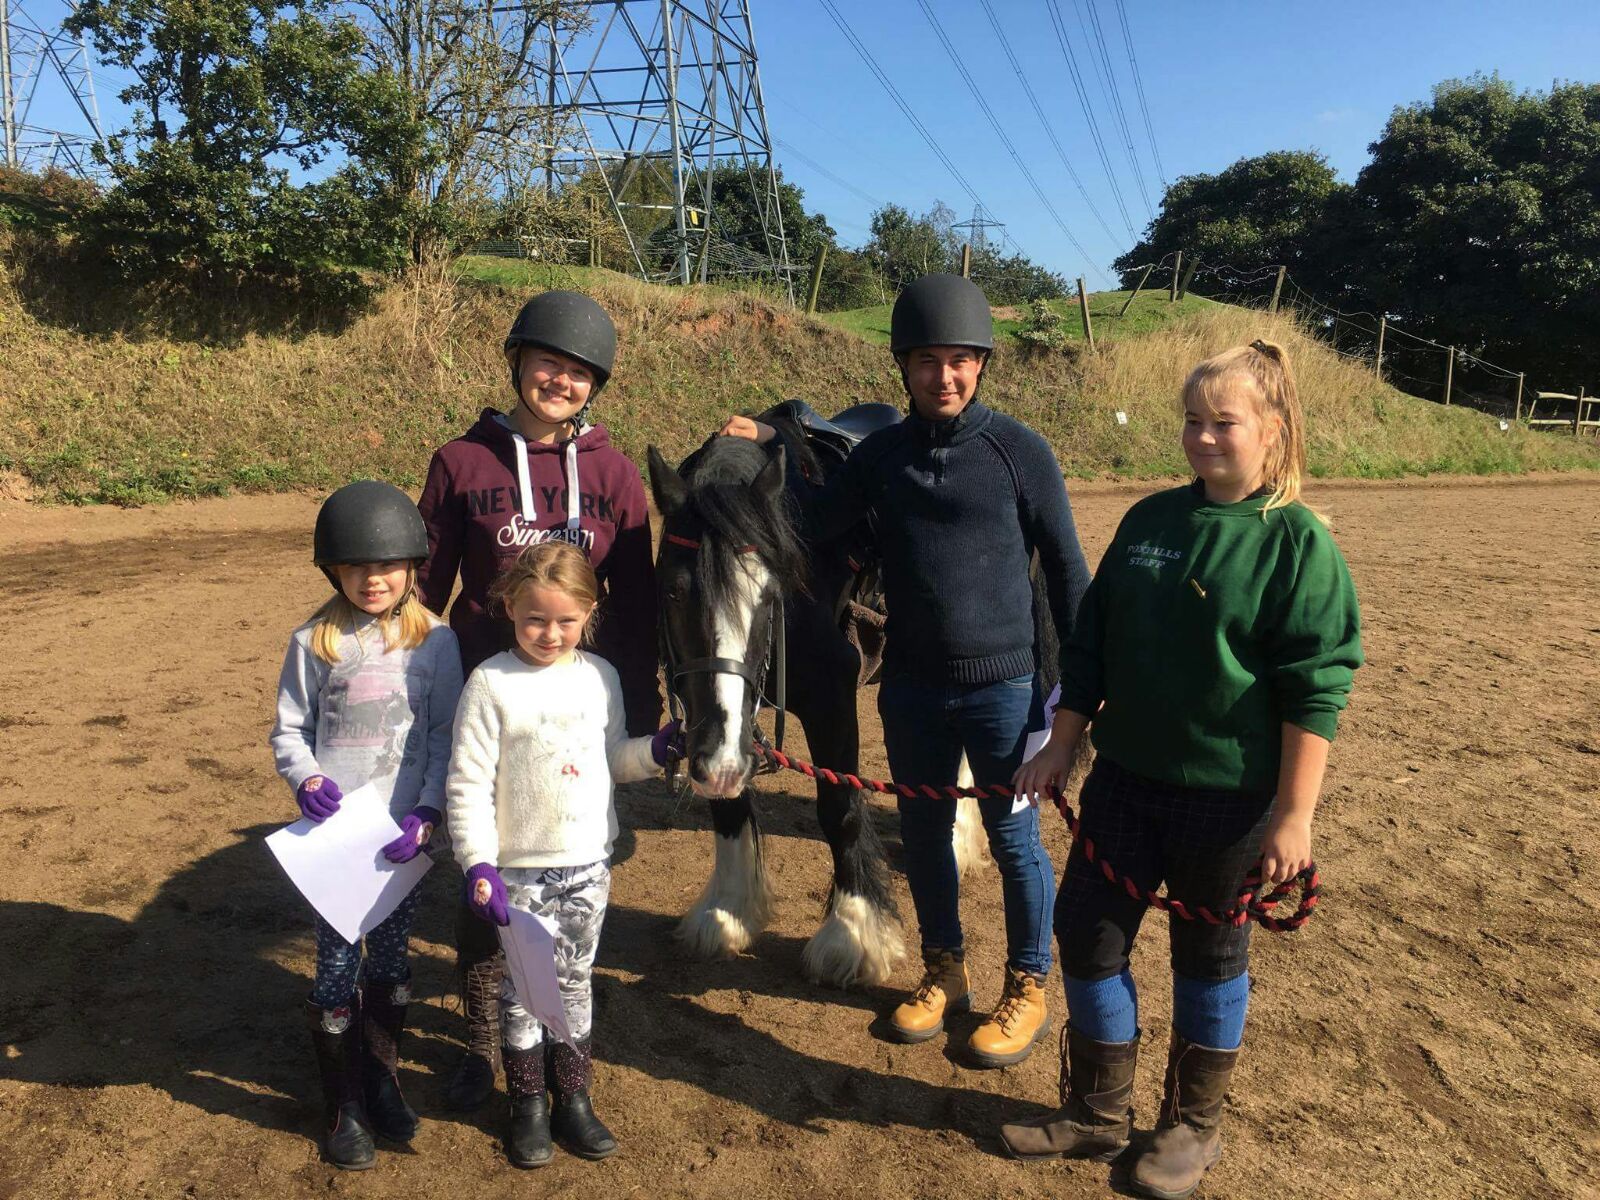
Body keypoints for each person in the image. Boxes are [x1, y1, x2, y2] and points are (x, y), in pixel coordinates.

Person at [999, 340, 1363, 1199]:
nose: (1201, 437)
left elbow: (1316, 690)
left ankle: (1192, 1127)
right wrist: (1060, 744)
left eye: (1222, 422)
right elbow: (1090, 648)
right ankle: (1097, 1112)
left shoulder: (1297, 545)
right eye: (1192, 421)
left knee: (1208, 958)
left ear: (1273, 430)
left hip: (1230, 803)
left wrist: (1295, 816)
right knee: (1086, 937)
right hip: (1124, 783)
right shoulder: (1149, 522)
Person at [720, 273, 1091, 1068]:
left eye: (960, 360)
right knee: (923, 838)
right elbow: (812, 522)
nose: (943, 375)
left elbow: (1066, 571)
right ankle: (944, 971)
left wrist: (1080, 691)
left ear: (981, 364)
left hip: (1004, 688)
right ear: (904, 366)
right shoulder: (881, 457)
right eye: (927, 360)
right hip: (913, 688)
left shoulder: (1020, 452)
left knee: (1014, 840)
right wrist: (771, 440)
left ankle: (1027, 984)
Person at [417, 289, 660, 1110]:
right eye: (548, 362)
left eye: (579, 372)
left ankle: (556, 1043)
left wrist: (644, 713)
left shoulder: (616, 476)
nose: (561, 380)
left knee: (562, 870)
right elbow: (424, 592)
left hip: (576, 708)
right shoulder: (461, 463)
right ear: (518, 362)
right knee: (483, 870)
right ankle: (481, 1041)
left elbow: (637, 602)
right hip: (484, 698)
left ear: (595, 387)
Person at [445, 542, 680, 1168]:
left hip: (587, 865)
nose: (550, 634)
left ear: (589, 614)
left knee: (575, 981)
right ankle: (526, 1104)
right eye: (535, 620)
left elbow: (613, 760)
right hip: (516, 872)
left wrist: (655, 752)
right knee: (524, 988)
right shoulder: (490, 683)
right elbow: (467, 783)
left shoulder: (600, 678)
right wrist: (478, 862)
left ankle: (573, 1097)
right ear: (509, 609)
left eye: (565, 621)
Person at [269, 480, 465, 1170]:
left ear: (412, 566)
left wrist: (429, 809)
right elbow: (290, 730)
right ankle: (342, 1101)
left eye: (386, 566)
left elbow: (444, 736)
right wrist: (306, 779)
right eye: (355, 567)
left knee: (391, 960)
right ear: (333, 572)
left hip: (400, 841)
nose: (372, 579)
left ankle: (381, 1076)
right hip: (335, 846)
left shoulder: (437, 642)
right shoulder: (313, 642)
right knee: (333, 967)